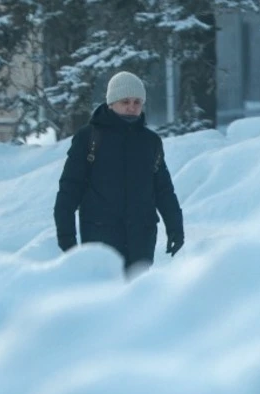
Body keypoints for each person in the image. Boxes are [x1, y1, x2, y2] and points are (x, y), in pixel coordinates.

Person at [53, 71, 184, 271]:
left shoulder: (150, 142)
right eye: (125, 101)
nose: (132, 107)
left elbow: (163, 190)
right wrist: (66, 237)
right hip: (100, 238)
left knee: (138, 298)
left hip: (142, 238)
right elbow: (69, 190)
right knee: (103, 297)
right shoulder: (89, 138)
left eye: (137, 102)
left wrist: (175, 227)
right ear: (111, 102)